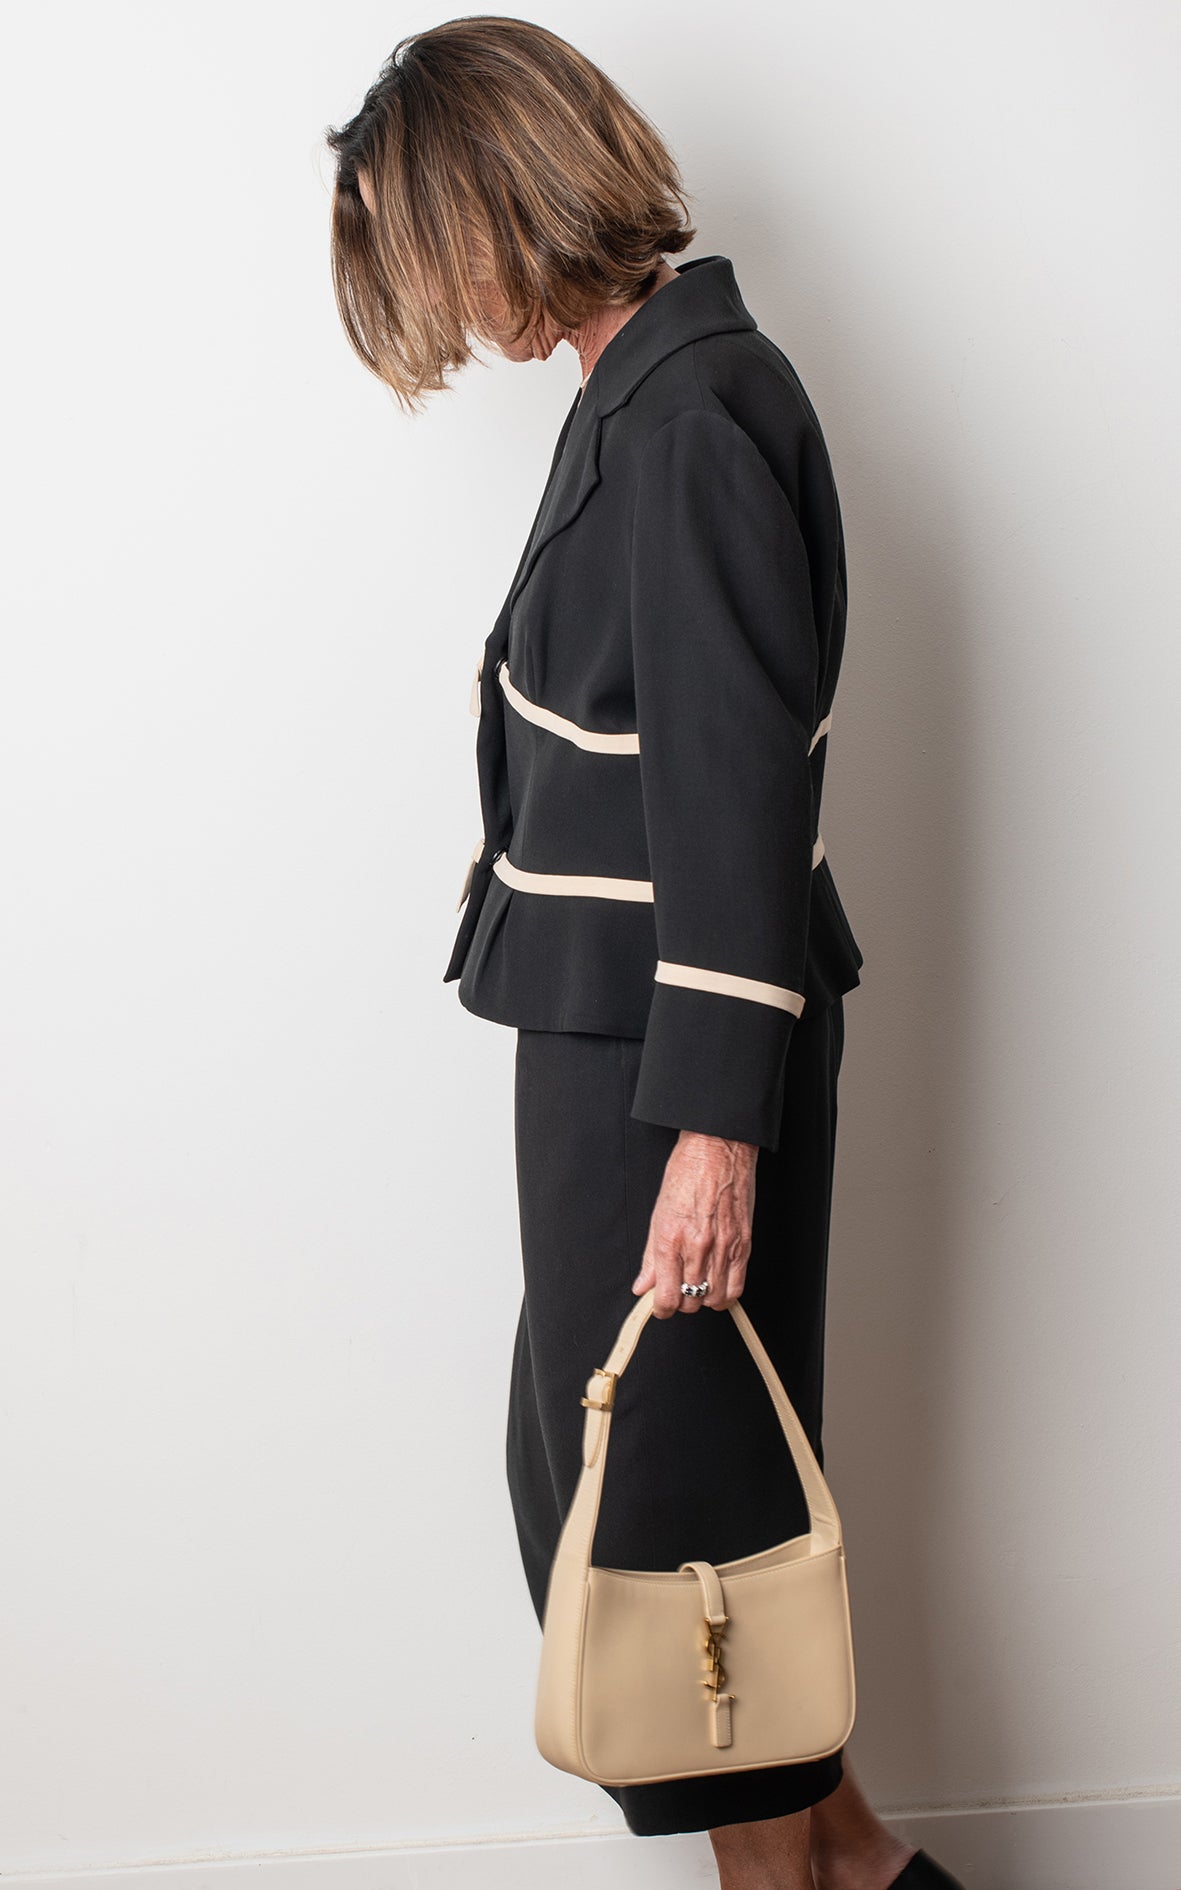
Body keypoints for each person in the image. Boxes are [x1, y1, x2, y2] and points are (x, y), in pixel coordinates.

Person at [326, 18, 965, 1890]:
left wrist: (710, 1132)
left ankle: (798, 1871)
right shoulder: (652, 391)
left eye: (434, 250)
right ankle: (845, 1862)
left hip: (662, 1069)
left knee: (680, 1534)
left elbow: (732, 800)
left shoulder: (689, 421)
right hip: (613, 1050)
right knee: (635, 1493)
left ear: (504, 204)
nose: (445, 305)